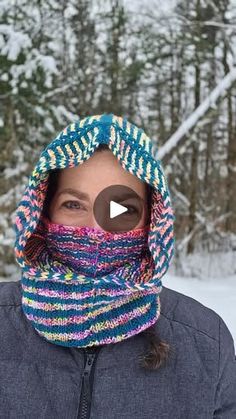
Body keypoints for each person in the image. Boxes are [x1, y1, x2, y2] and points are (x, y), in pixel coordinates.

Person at [0, 113, 235, 418]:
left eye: (121, 208)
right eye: (73, 204)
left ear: (152, 219)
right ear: (43, 213)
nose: (97, 228)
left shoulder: (206, 343)